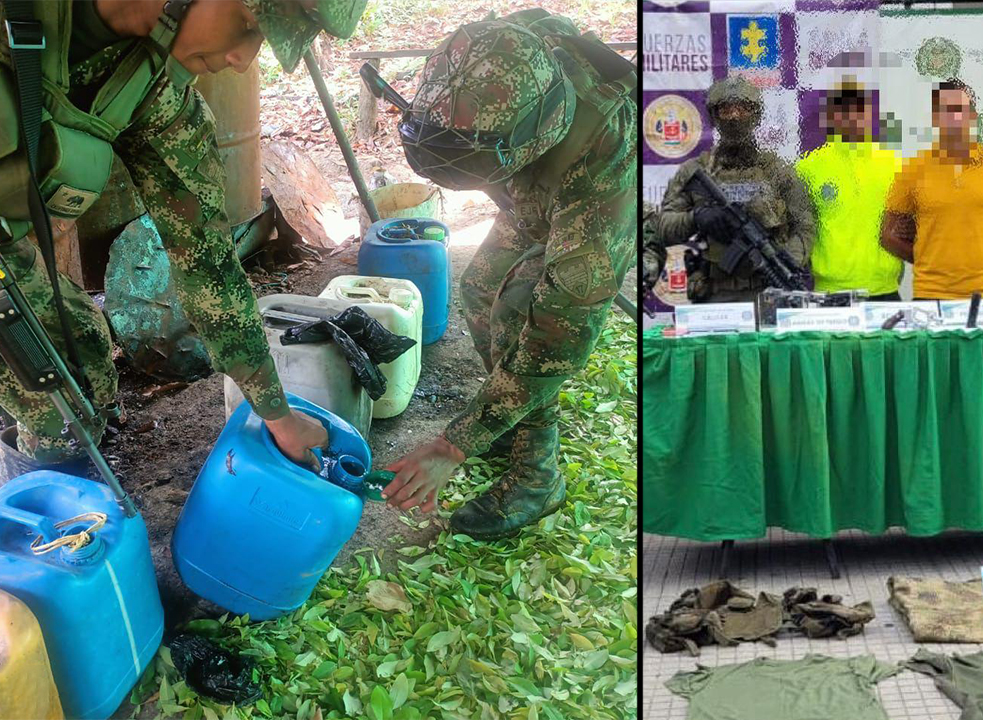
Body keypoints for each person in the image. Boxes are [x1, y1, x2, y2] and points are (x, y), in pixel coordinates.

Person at [0, 0, 363, 476]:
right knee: (53, 402)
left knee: (80, 362)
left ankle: (68, 495)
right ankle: (47, 531)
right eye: (247, 25)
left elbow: (208, 265)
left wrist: (276, 413)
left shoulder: (157, 95)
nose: (242, 60)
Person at [378, 9, 636, 540]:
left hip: (589, 198)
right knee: (481, 288)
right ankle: (511, 418)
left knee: (523, 313)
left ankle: (538, 479)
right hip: (530, 185)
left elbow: (559, 336)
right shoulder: (494, 54)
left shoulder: (601, 156)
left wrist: (456, 442)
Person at [657, 74, 815, 303]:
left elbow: (805, 226)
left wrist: (780, 262)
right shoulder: (696, 171)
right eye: (726, 110)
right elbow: (663, 227)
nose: (734, 116)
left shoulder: (779, 171)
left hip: (770, 290)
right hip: (716, 294)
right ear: (714, 117)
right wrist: (697, 217)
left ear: (756, 115)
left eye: (743, 109)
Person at [881, 78, 983, 300]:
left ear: (972, 116)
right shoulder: (913, 169)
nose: (953, 118)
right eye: (945, 111)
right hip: (932, 293)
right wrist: (927, 257)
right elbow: (887, 235)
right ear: (935, 118)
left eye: (960, 110)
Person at [795, 78, 903, 300]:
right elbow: (798, 230)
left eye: (859, 109)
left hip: (884, 291)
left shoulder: (895, 165)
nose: (852, 117)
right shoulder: (808, 167)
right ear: (832, 116)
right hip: (829, 293)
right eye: (844, 109)